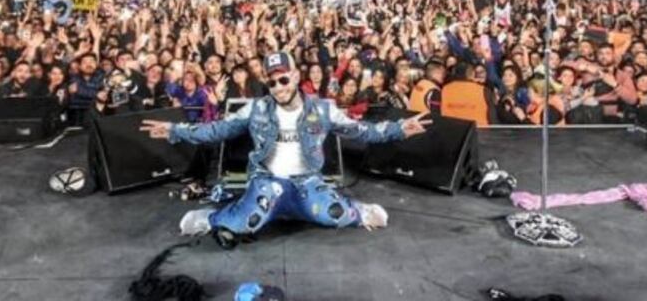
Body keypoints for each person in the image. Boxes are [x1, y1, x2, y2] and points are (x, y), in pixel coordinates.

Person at [139, 51, 430, 249]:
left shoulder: (322, 109)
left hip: (308, 183)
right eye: (272, 81)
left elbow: (362, 130)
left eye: (283, 79)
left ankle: (357, 211)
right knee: (246, 221)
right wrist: (176, 130)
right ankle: (210, 218)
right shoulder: (256, 108)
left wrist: (398, 128)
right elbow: (216, 129)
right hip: (266, 182)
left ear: (294, 75)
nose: (278, 87)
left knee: (334, 213)